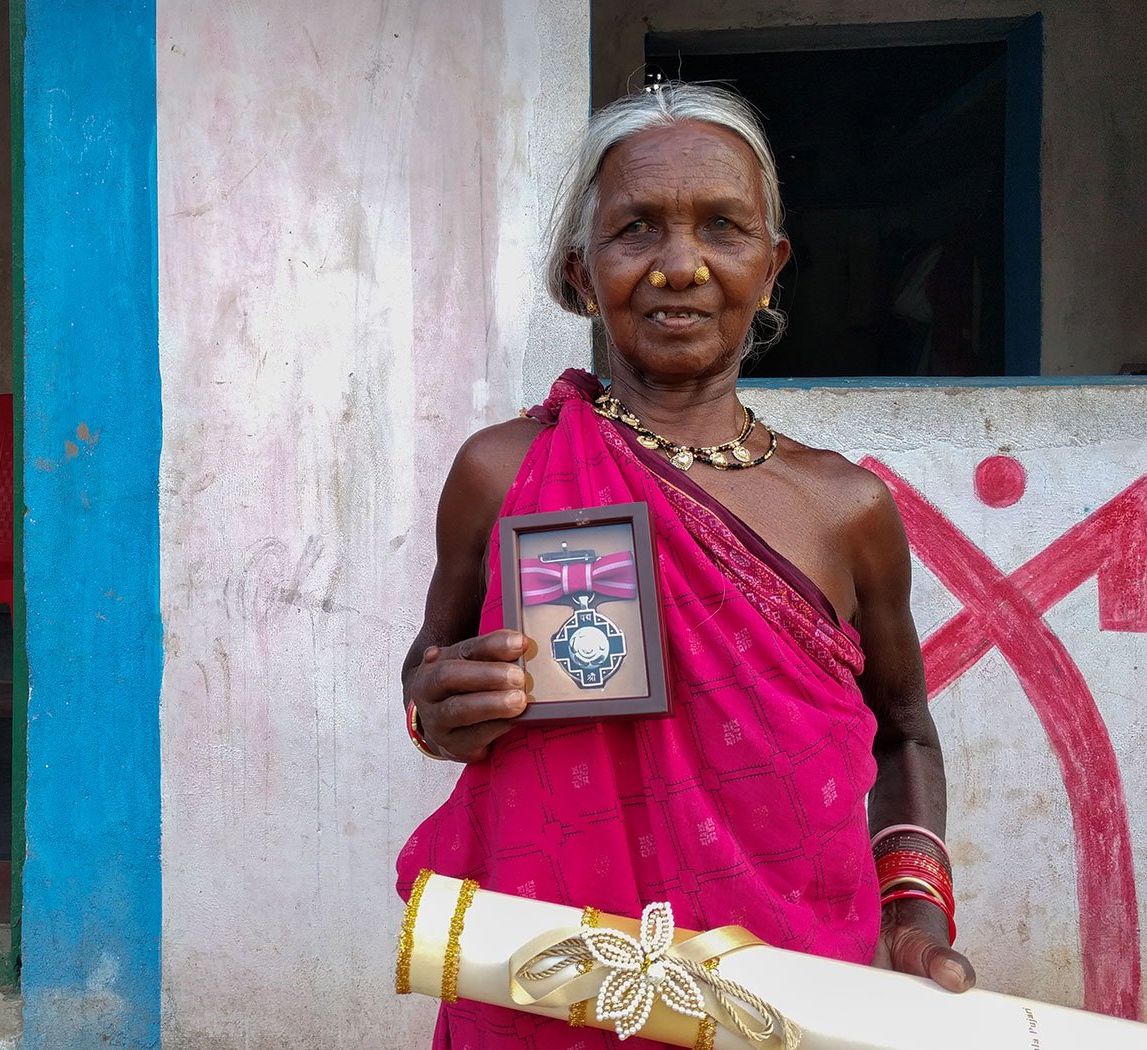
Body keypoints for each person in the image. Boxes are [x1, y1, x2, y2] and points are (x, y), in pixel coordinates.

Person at [396, 82, 975, 1049]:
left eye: (722, 227)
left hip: (790, 1001)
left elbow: (904, 732)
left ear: (772, 262)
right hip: (550, 986)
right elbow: (429, 673)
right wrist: (441, 712)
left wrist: (912, 916)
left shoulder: (846, 510)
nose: (680, 267)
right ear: (583, 272)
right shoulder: (504, 473)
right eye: (635, 230)